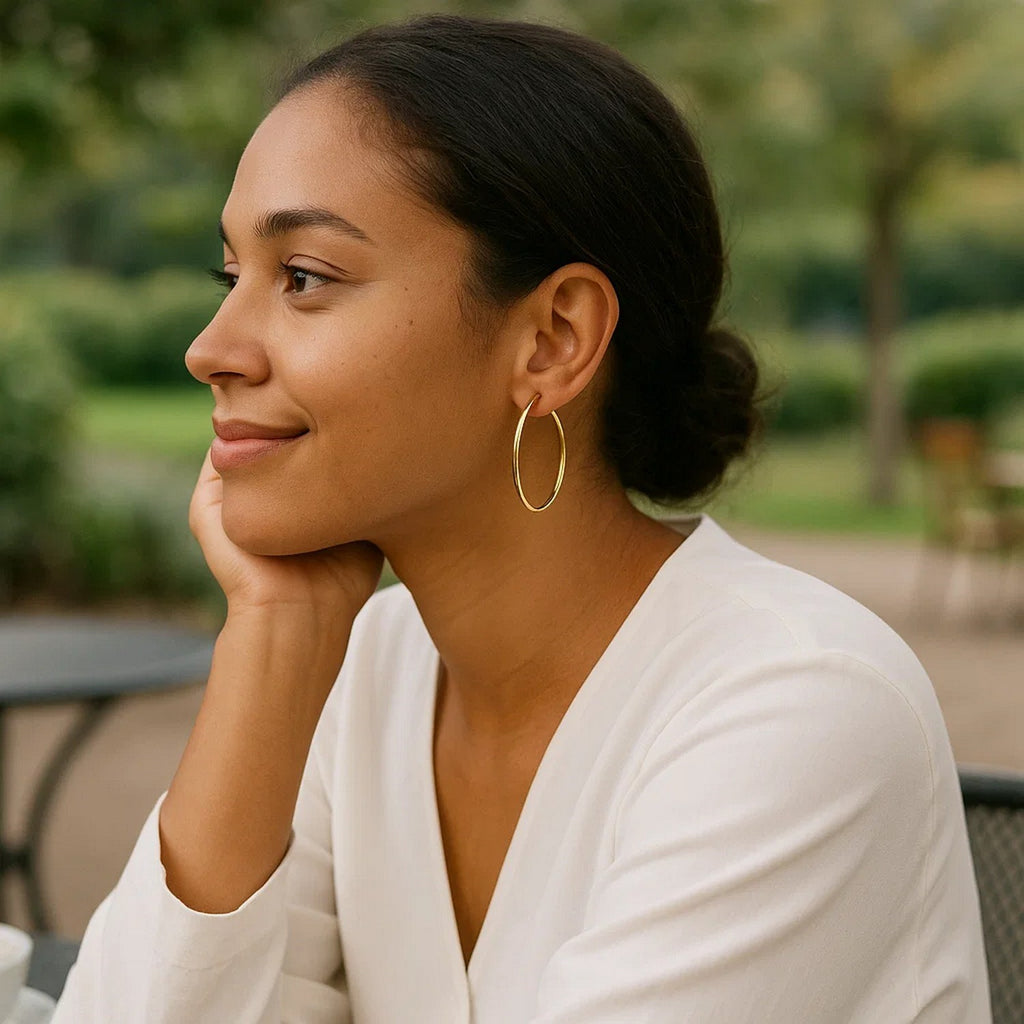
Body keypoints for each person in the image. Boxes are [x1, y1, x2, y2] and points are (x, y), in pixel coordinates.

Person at [52, 13, 990, 1023]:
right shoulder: (367, 668)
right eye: (230, 276)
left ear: (551, 338)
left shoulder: (795, 710)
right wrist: (272, 639)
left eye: (305, 278)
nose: (210, 347)